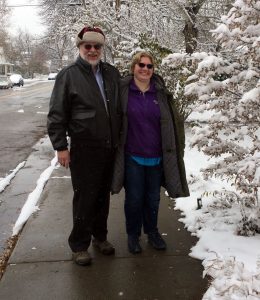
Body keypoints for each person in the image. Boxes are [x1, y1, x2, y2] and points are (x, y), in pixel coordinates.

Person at [47, 26, 121, 266]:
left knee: (102, 196)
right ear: (79, 47)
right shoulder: (68, 75)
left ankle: (100, 238)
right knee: (85, 198)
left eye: (97, 46)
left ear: (102, 48)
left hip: (109, 147)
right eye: (87, 46)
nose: (92, 50)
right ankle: (79, 245)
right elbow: (57, 114)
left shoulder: (111, 73)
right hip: (84, 148)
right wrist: (61, 147)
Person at [111, 52, 189, 254]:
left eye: (149, 66)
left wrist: (177, 147)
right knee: (135, 198)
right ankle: (133, 235)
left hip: (157, 157)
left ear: (153, 69)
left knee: (153, 198)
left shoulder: (161, 93)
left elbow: (174, 122)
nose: (145, 69)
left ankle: (152, 232)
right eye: (141, 65)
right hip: (132, 156)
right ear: (133, 67)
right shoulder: (123, 91)